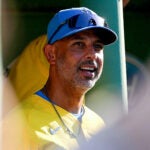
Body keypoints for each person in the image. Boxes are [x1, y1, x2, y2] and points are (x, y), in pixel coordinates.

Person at [2, 7, 117, 150]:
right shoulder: (18, 124)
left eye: (97, 46)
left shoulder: (98, 123)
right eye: (79, 45)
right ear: (51, 54)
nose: (92, 55)